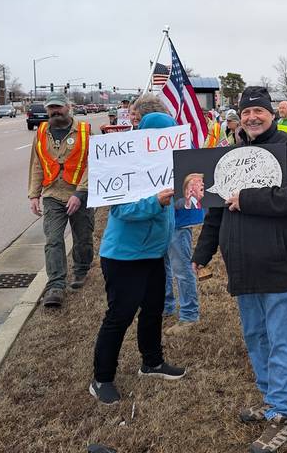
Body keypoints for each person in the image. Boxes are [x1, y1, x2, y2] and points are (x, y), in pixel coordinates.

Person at [192, 86, 287, 453]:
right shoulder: (231, 155)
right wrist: (203, 252)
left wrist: (247, 198)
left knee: (284, 340)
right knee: (257, 338)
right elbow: (215, 210)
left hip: (280, 265)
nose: (251, 118)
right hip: (242, 267)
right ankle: (271, 400)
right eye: (246, 113)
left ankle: (284, 413)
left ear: (271, 115)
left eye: (258, 111)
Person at [90, 111, 186, 406]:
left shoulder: (169, 165)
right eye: (161, 137)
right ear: (145, 138)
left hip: (154, 254)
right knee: (120, 315)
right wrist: (155, 202)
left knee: (154, 309)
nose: (167, 143)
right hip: (124, 257)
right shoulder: (123, 167)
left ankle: (152, 362)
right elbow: (122, 211)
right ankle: (102, 378)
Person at [28, 92, 94, 308]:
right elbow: (37, 164)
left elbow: (92, 164)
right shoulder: (41, 132)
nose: (54, 111)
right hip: (52, 194)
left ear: (68, 107)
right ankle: (56, 285)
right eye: (51, 108)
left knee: (82, 237)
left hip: (80, 193)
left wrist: (80, 193)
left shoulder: (85, 131)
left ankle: (81, 269)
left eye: (58, 107)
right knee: (53, 240)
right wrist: (34, 194)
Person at [163, 173, 205, 336]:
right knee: (162, 264)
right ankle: (166, 306)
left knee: (181, 268)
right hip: (158, 214)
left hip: (178, 216)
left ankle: (189, 315)